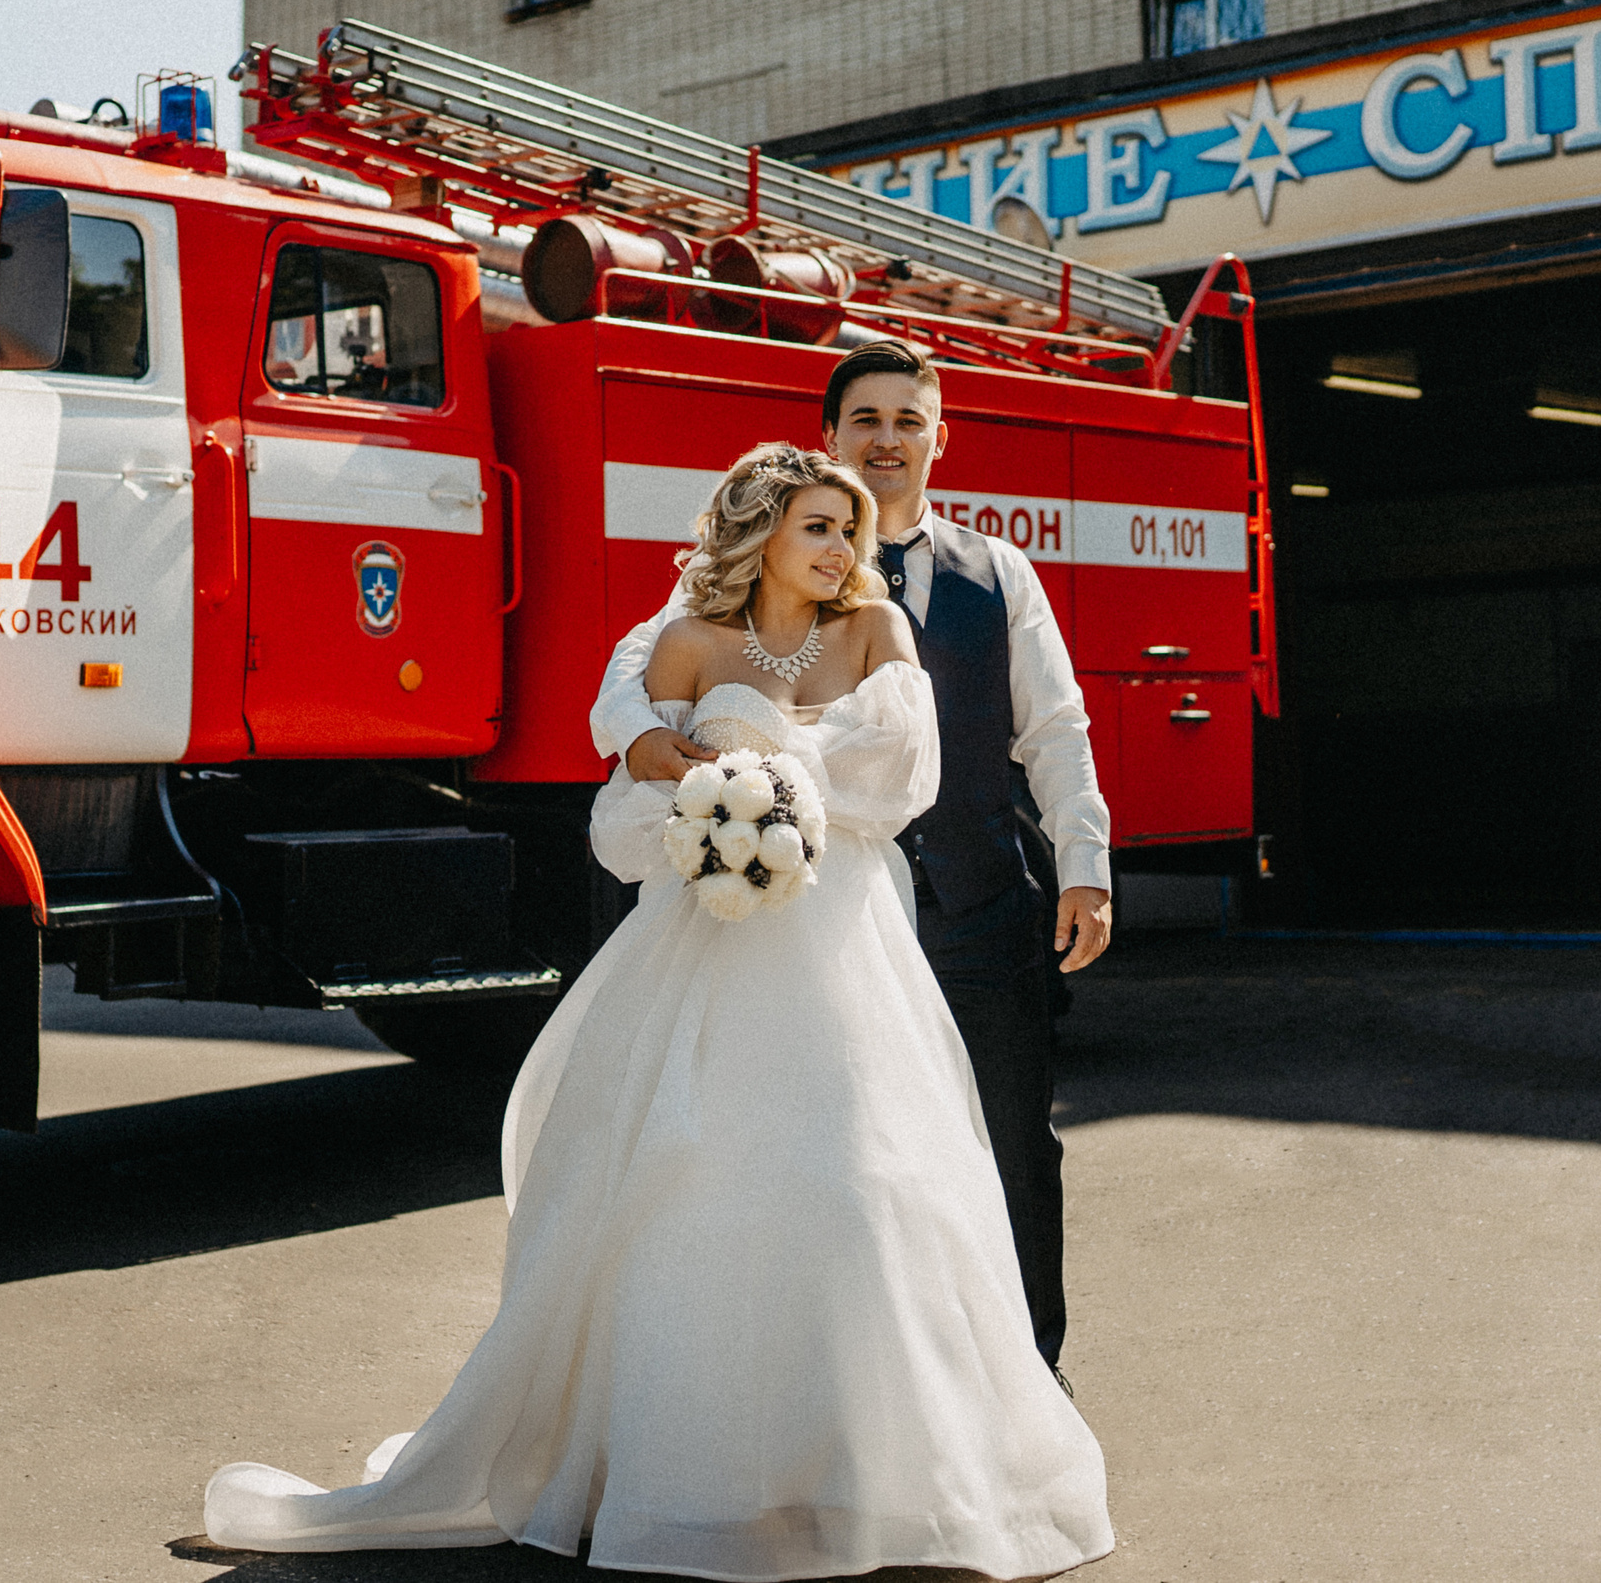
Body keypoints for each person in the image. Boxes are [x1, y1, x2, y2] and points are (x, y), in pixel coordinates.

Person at [203, 446, 1111, 1581]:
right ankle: (690, 1483)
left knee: (863, 1185)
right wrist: (698, 812)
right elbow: (617, 827)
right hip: (704, 951)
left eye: (850, 531)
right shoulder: (680, 645)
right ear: (761, 534)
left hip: (847, 947)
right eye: (818, 529)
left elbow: (903, 783)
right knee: (690, 1187)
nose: (842, 551)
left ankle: (869, 1475)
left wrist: (776, 776)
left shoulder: (880, 634)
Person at [596, 337, 1112, 1373]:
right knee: (844, 1164)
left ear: (938, 438)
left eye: (906, 420)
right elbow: (634, 666)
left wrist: (1084, 863)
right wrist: (638, 734)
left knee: (1011, 1147)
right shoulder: (763, 574)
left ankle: (1026, 1378)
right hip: (823, 930)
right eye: (865, 420)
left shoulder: (995, 572)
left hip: (973, 911)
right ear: (827, 437)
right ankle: (875, 1382)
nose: (886, 439)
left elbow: (1051, 727)